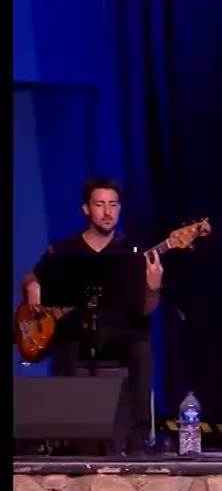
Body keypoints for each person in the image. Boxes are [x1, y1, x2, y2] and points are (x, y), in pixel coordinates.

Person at [20, 176, 163, 455]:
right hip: (77, 332)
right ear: (86, 209)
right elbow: (31, 277)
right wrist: (32, 288)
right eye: (100, 204)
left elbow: (146, 310)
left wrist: (153, 288)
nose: (107, 212)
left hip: (119, 332)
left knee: (141, 343)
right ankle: (68, 435)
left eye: (113, 205)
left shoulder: (133, 252)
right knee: (67, 341)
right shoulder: (64, 251)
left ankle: (137, 439)